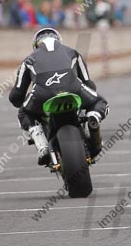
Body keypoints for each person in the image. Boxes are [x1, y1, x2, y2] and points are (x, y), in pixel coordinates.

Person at [8, 28, 109, 166]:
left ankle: (42, 145)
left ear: (35, 45)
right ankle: (93, 118)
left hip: (42, 95)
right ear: (59, 41)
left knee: (23, 113)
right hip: (74, 90)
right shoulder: (73, 53)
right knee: (99, 101)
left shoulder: (28, 61)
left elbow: (16, 97)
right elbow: (89, 84)